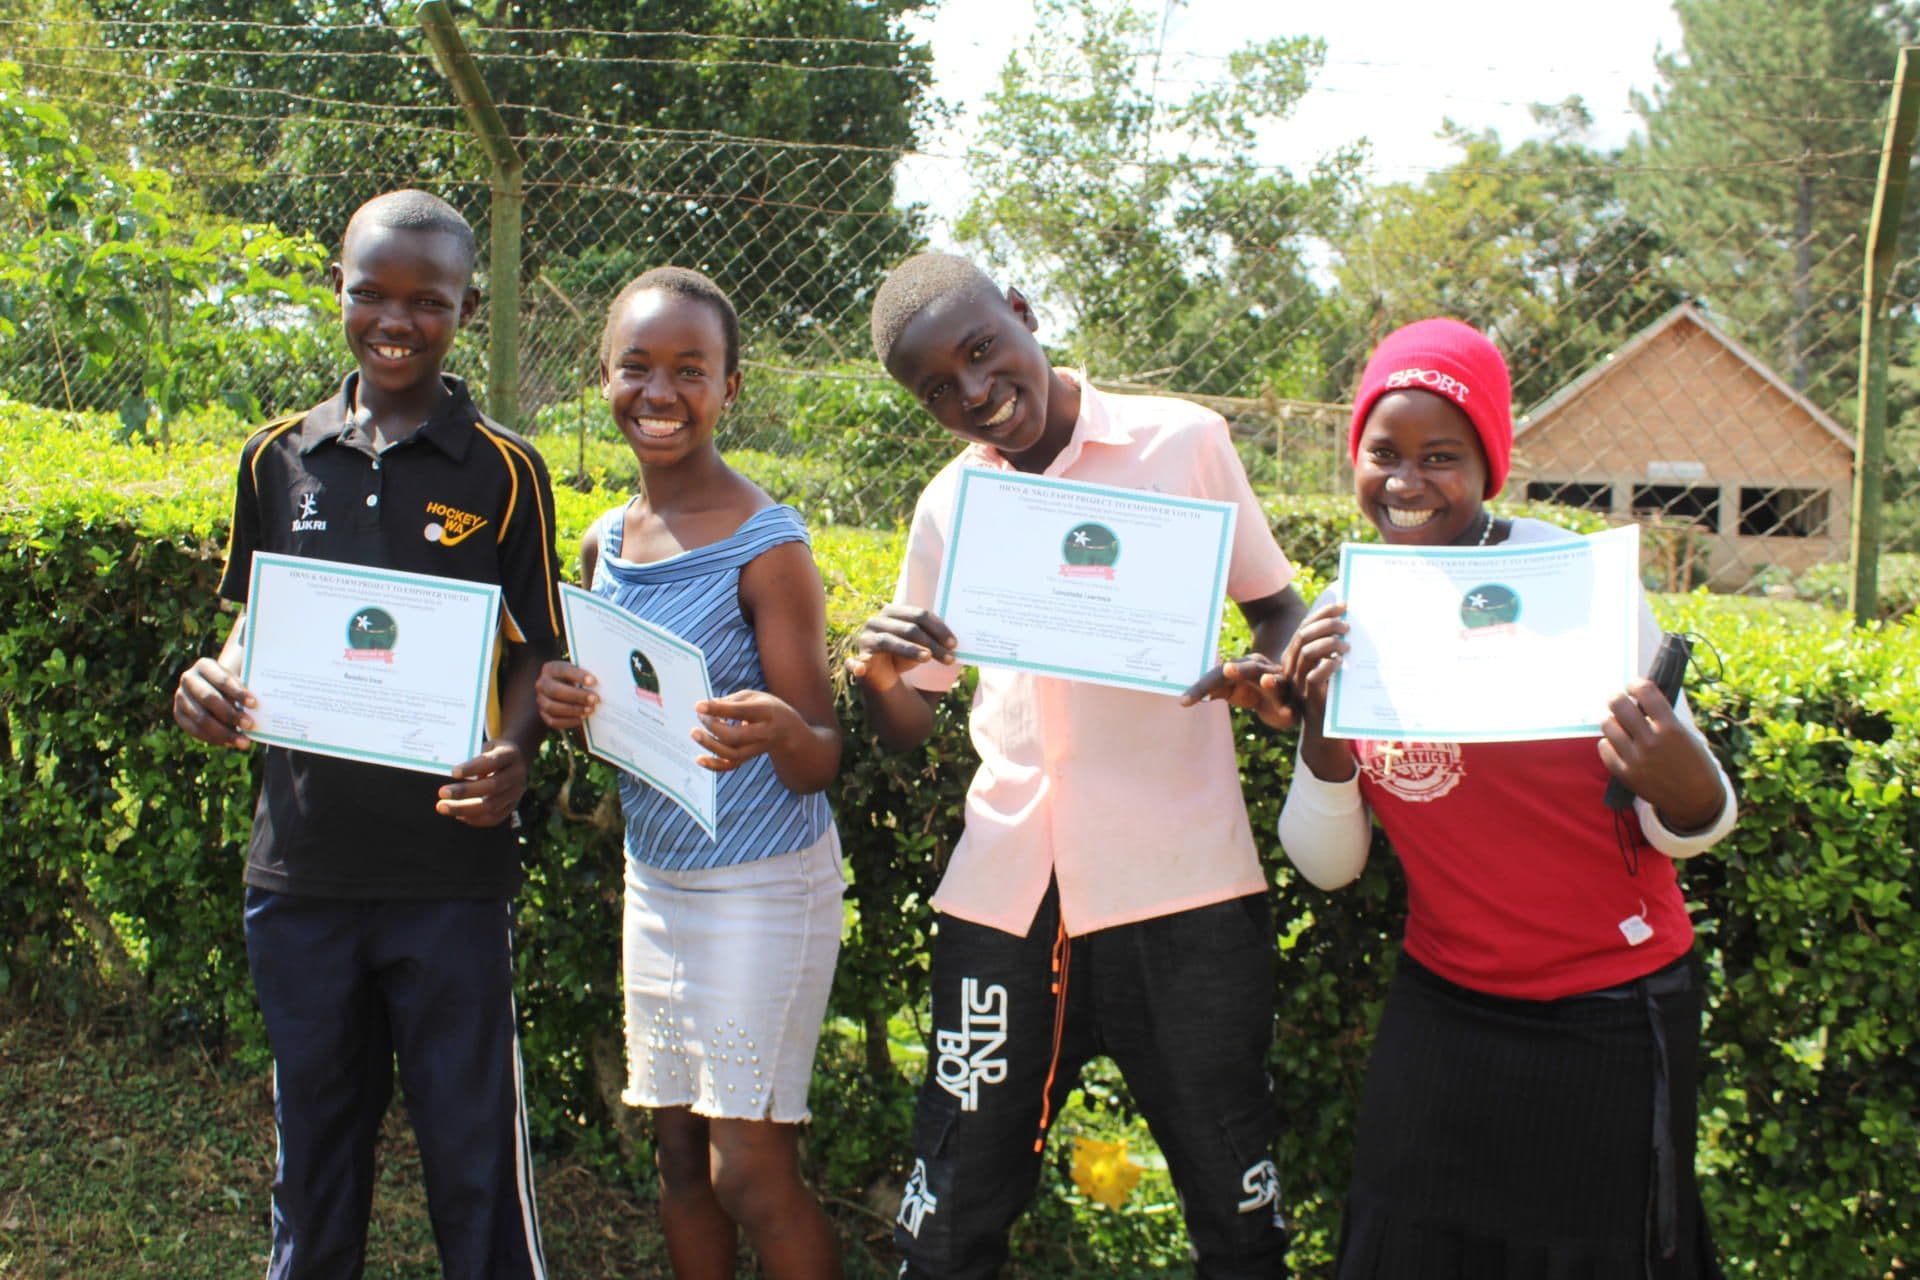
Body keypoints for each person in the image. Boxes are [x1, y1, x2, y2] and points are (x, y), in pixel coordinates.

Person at [1234, 317, 1736, 1278]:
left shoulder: (1571, 584)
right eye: (1383, 454)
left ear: (1488, 466)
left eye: (1441, 456)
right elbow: (1330, 867)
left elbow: (1695, 820)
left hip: (1609, 1009)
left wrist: (1682, 788)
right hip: (1447, 1006)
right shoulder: (1354, 616)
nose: (1407, 483)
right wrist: (1319, 723)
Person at [849, 251, 1308, 1279]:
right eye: (938, 389)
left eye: (982, 350)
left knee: (1235, 1207)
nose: (974, 392)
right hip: (1010, 891)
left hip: (1179, 885)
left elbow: (1274, 606)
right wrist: (879, 669)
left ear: (1020, 311)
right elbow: (910, 719)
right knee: (955, 1203)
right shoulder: (949, 503)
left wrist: (1266, 673)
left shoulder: (1181, 441)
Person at [171, 190, 558, 1279]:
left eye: (428, 300)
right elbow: (257, 625)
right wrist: (209, 683)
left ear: (468, 306)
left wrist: (516, 752)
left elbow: (535, 649)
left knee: (474, 1156)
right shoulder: (274, 458)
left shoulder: (505, 469)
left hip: (450, 875)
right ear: (335, 289)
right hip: (301, 872)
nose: (398, 319)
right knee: (315, 1155)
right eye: (372, 293)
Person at [533, 268, 844, 1280]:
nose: (658, 392)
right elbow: (611, 732)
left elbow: (822, 753)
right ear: (605, 378)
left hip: (763, 881)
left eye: (689, 370)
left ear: (730, 389)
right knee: (676, 1158)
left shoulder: (769, 544)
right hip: (658, 880)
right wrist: (569, 710)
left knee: (749, 1172)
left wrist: (778, 729)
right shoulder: (605, 541)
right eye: (637, 367)